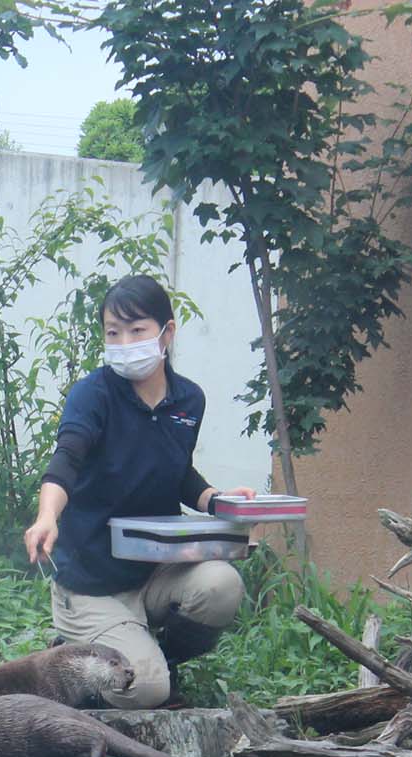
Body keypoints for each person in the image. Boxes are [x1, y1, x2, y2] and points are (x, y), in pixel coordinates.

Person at [22, 275, 252, 709]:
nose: (125, 342)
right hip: (92, 584)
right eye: (114, 332)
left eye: (137, 330)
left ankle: (154, 656)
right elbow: (66, 460)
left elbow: (178, 472)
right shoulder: (93, 395)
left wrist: (221, 502)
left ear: (167, 332)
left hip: (154, 572)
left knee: (221, 586)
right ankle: (71, 658)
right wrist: (47, 515)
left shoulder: (189, 400)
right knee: (146, 689)